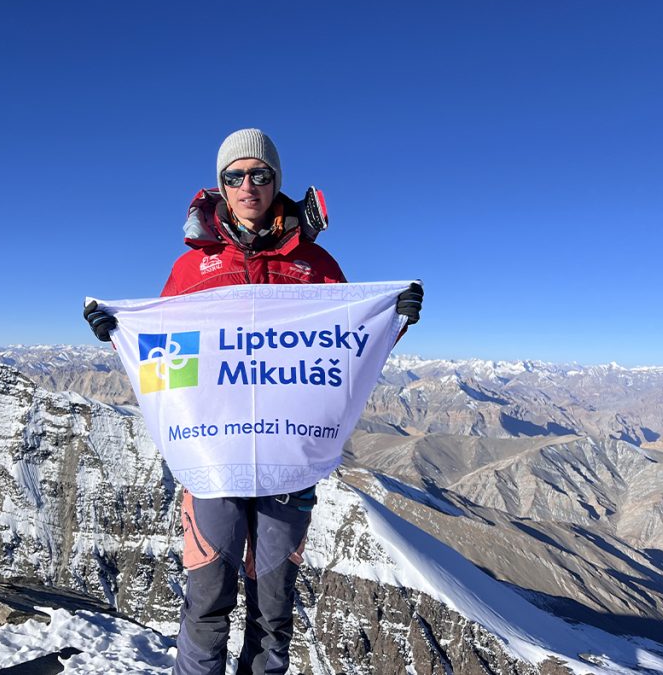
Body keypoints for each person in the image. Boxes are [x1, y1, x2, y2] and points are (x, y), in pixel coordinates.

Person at [84, 128, 423, 675]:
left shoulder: (315, 265)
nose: (248, 185)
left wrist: (394, 318)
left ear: (276, 181)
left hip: (286, 462)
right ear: (219, 186)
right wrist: (121, 333)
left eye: (260, 175)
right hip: (214, 459)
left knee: (272, 608)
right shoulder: (190, 268)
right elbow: (171, 350)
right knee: (207, 600)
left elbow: (343, 352)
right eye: (234, 176)